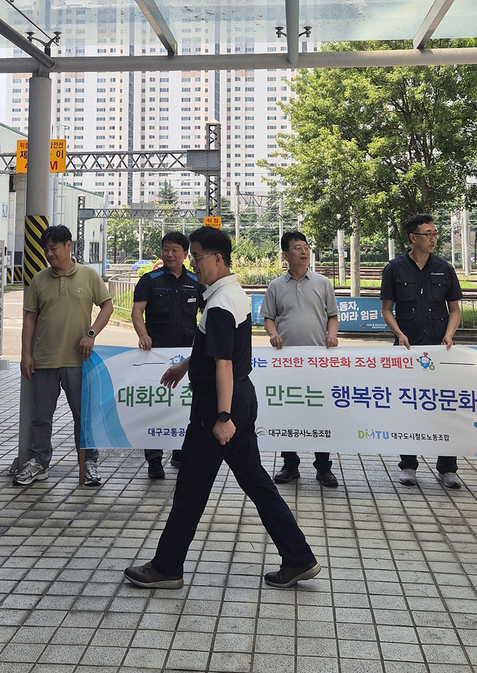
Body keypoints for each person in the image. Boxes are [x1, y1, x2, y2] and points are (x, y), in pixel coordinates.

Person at [124, 226, 320, 589]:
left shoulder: (217, 303)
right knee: (257, 483)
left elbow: (224, 364)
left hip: (219, 407)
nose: (193, 264)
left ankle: (167, 567)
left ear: (216, 258)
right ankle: (299, 557)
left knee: (190, 490)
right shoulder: (232, 292)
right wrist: (185, 366)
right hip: (239, 400)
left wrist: (223, 417)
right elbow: (217, 347)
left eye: (196, 257)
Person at [15, 225, 113, 487]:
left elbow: (107, 306)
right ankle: (38, 462)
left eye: (53, 248)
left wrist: (91, 334)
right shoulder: (39, 279)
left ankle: (88, 463)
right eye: (46, 249)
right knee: (41, 417)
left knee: (84, 416)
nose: (49, 253)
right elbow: (30, 319)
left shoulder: (89, 276)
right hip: (45, 359)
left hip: (78, 361)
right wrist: (26, 354)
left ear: (68, 246)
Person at [380, 214, 463, 489]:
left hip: (440, 351)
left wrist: (449, 335)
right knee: (408, 406)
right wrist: (399, 334)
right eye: (428, 234)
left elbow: (455, 310)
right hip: (407, 349)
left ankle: (448, 468)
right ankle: (408, 465)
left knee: (444, 407)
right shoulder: (395, 269)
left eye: (435, 233)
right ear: (413, 237)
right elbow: (387, 310)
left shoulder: (444, 268)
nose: (433, 238)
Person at [262, 230, 339, 487]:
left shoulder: (322, 283)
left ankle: (323, 467)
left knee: (320, 413)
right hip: (286, 363)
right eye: (297, 248)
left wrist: (332, 335)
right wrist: (273, 335)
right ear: (285, 255)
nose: (304, 252)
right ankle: (290, 464)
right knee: (289, 412)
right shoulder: (275, 286)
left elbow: (332, 315)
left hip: (318, 361)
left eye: (306, 247)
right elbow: (268, 318)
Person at [131, 231, 205, 478]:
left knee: (184, 405)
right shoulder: (149, 280)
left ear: (185, 254)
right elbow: (137, 312)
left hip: (187, 357)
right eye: (166, 249)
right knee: (155, 405)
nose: (169, 254)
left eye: (175, 250)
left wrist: (201, 337)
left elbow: (206, 313)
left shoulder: (195, 281)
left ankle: (180, 451)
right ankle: (154, 459)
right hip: (156, 355)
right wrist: (143, 335)